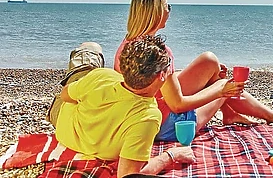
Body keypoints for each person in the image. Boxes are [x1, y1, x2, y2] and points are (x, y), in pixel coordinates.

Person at [114, 0, 273, 142]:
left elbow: (155, 85)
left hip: (140, 118)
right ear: (156, 12)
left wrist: (206, 79)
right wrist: (220, 90)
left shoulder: (127, 47)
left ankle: (230, 114)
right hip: (169, 126)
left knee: (209, 62)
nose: (169, 11)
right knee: (224, 84)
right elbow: (177, 105)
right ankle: (272, 116)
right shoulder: (160, 52)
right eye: (167, 7)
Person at [47, 37, 200, 177]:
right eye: (169, 66)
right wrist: (171, 155)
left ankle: (89, 49)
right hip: (61, 115)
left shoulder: (102, 76)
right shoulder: (147, 116)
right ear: (161, 75)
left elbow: (66, 95)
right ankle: (88, 49)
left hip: (59, 115)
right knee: (89, 51)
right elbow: (128, 175)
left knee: (89, 55)